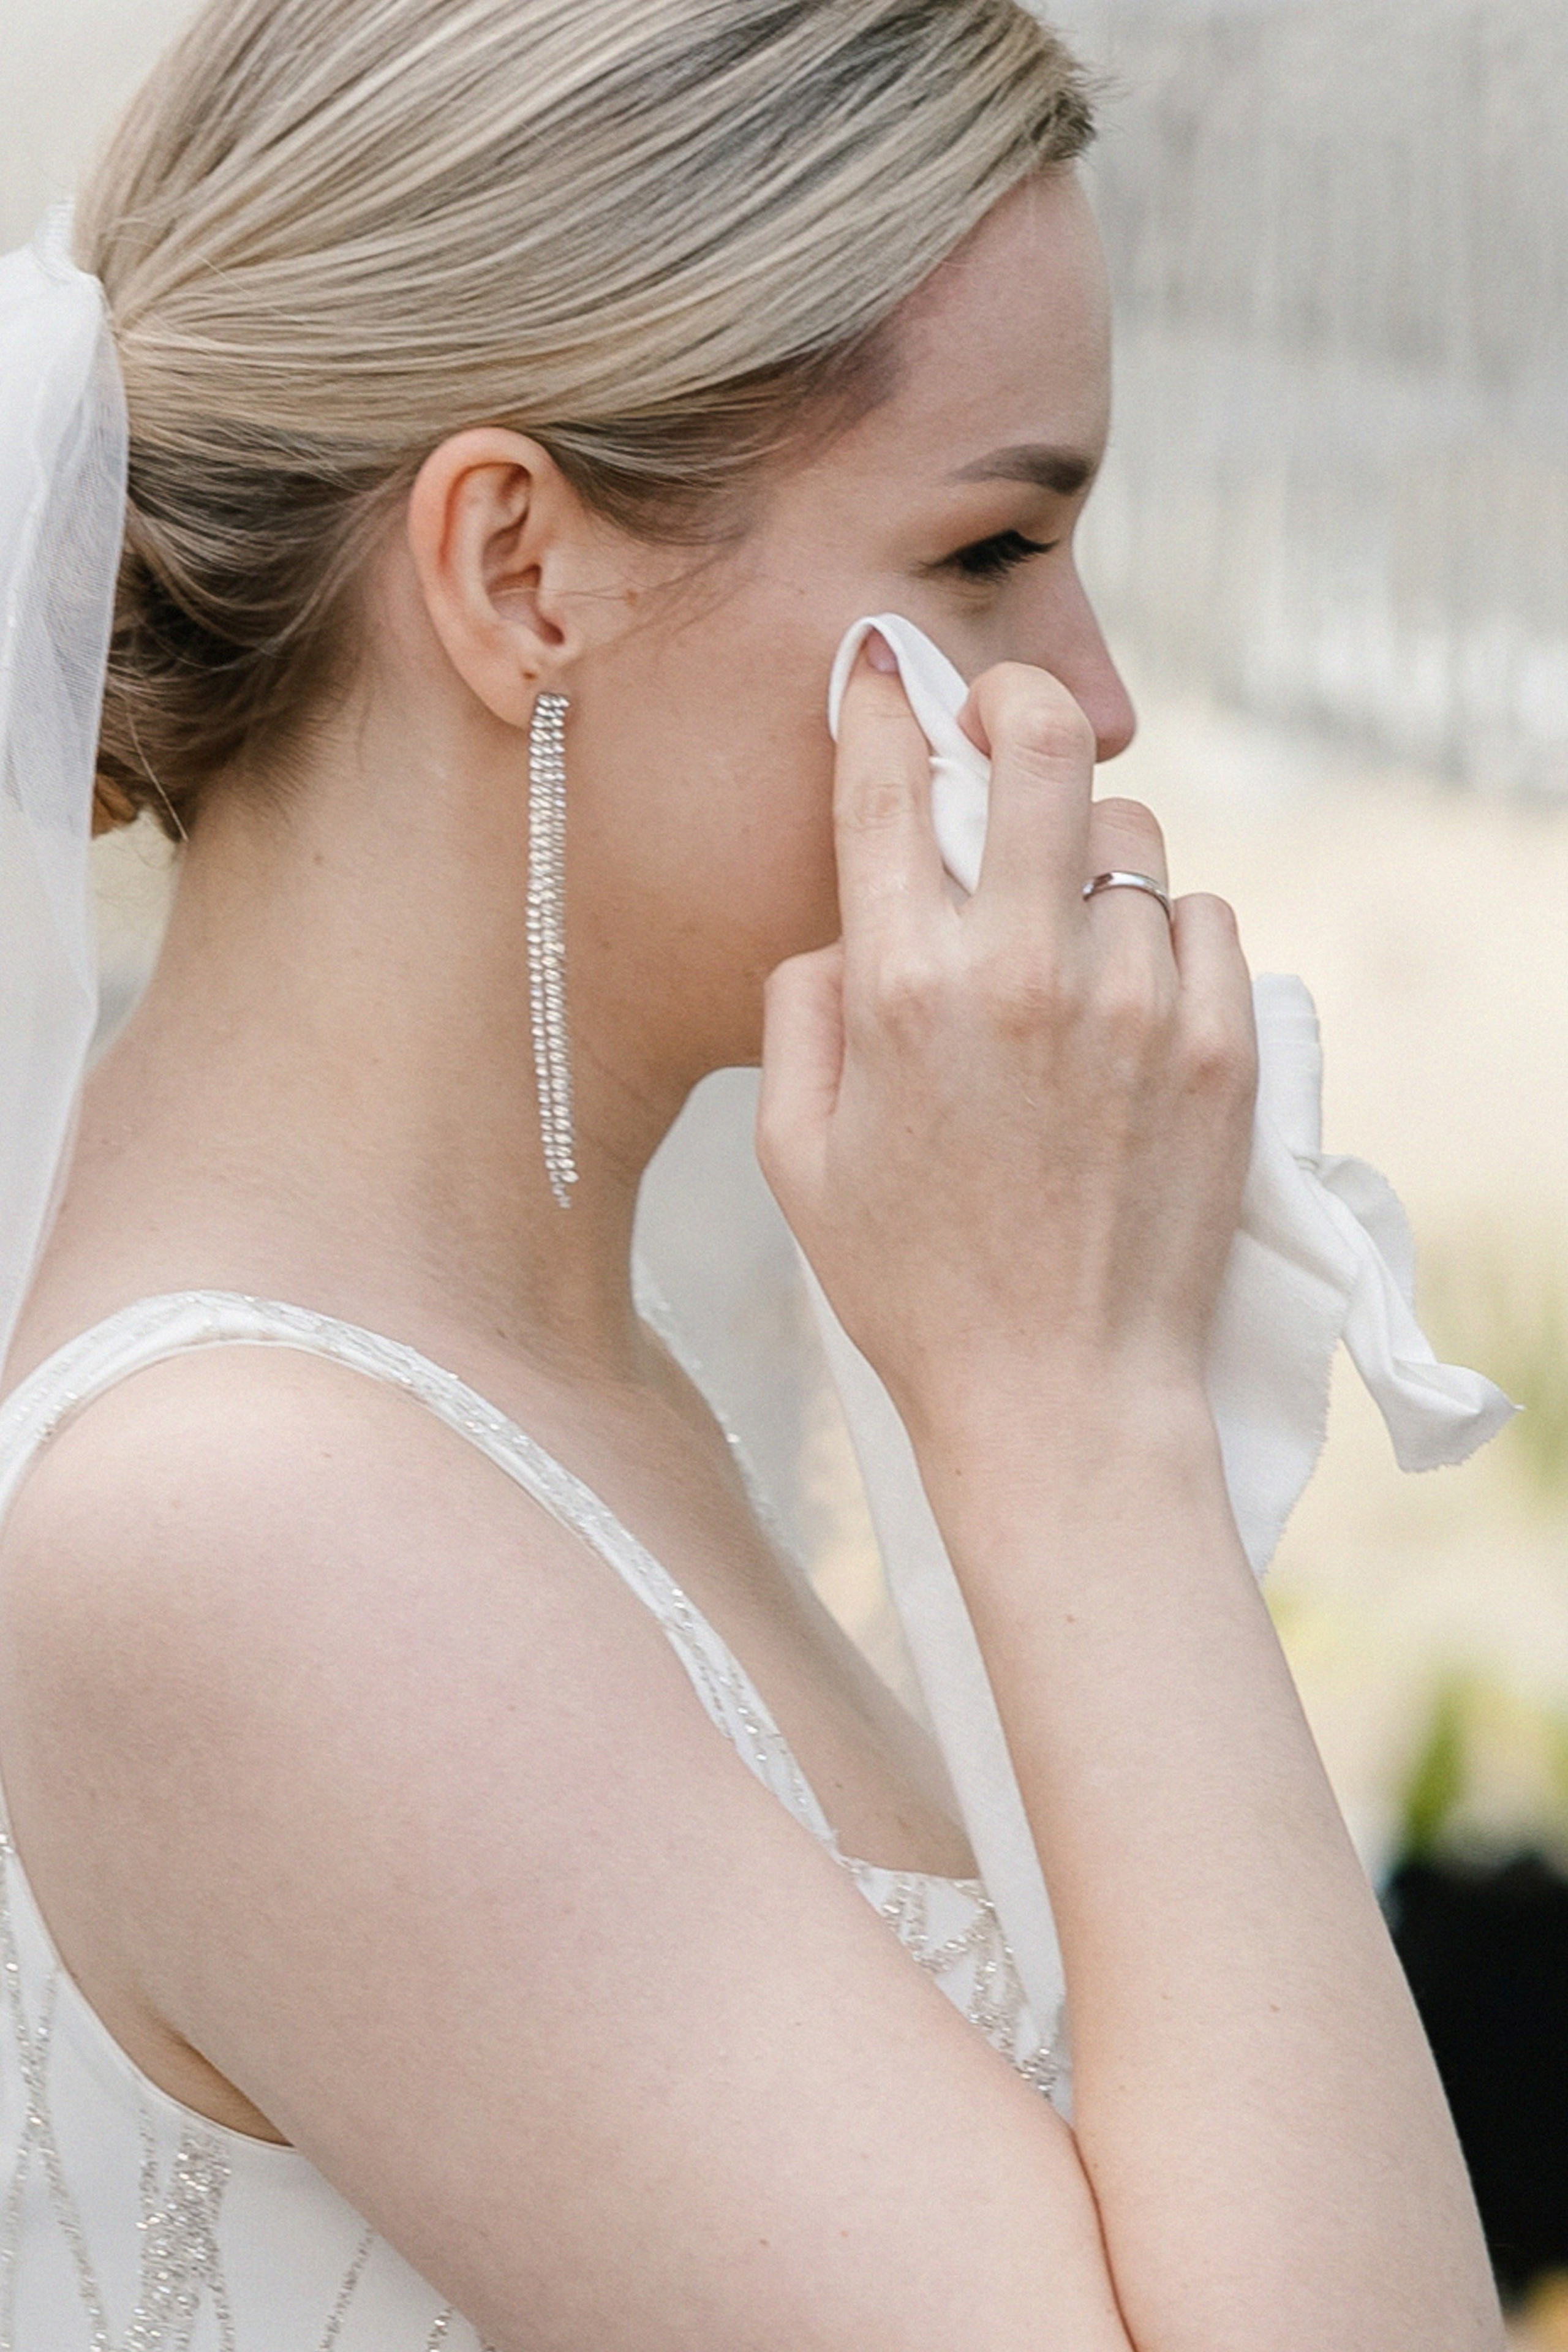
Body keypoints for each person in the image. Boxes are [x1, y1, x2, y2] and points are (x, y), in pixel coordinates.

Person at [0, 0, 1504, 2344]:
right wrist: (1072, 1412)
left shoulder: (555, 1390)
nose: (1091, 698)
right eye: (998, 541)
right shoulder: (248, 1521)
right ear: (518, 571)